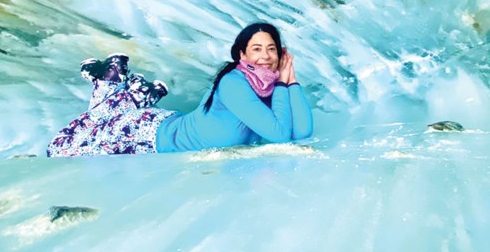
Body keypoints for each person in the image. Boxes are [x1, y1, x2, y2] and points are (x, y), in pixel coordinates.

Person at [46, 23, 313, 156]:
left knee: (103, 122)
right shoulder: (234, 82)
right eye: (257, 49)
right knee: (63, 148)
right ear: (241, 54)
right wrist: (280, 83)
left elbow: (301, 133)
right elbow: (279, 135)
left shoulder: (267, 87)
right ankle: (109, 80)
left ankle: (131, 91)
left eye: (272, 49)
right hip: (146, 136)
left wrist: (291, 80)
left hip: (166, 125)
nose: (265, 56)